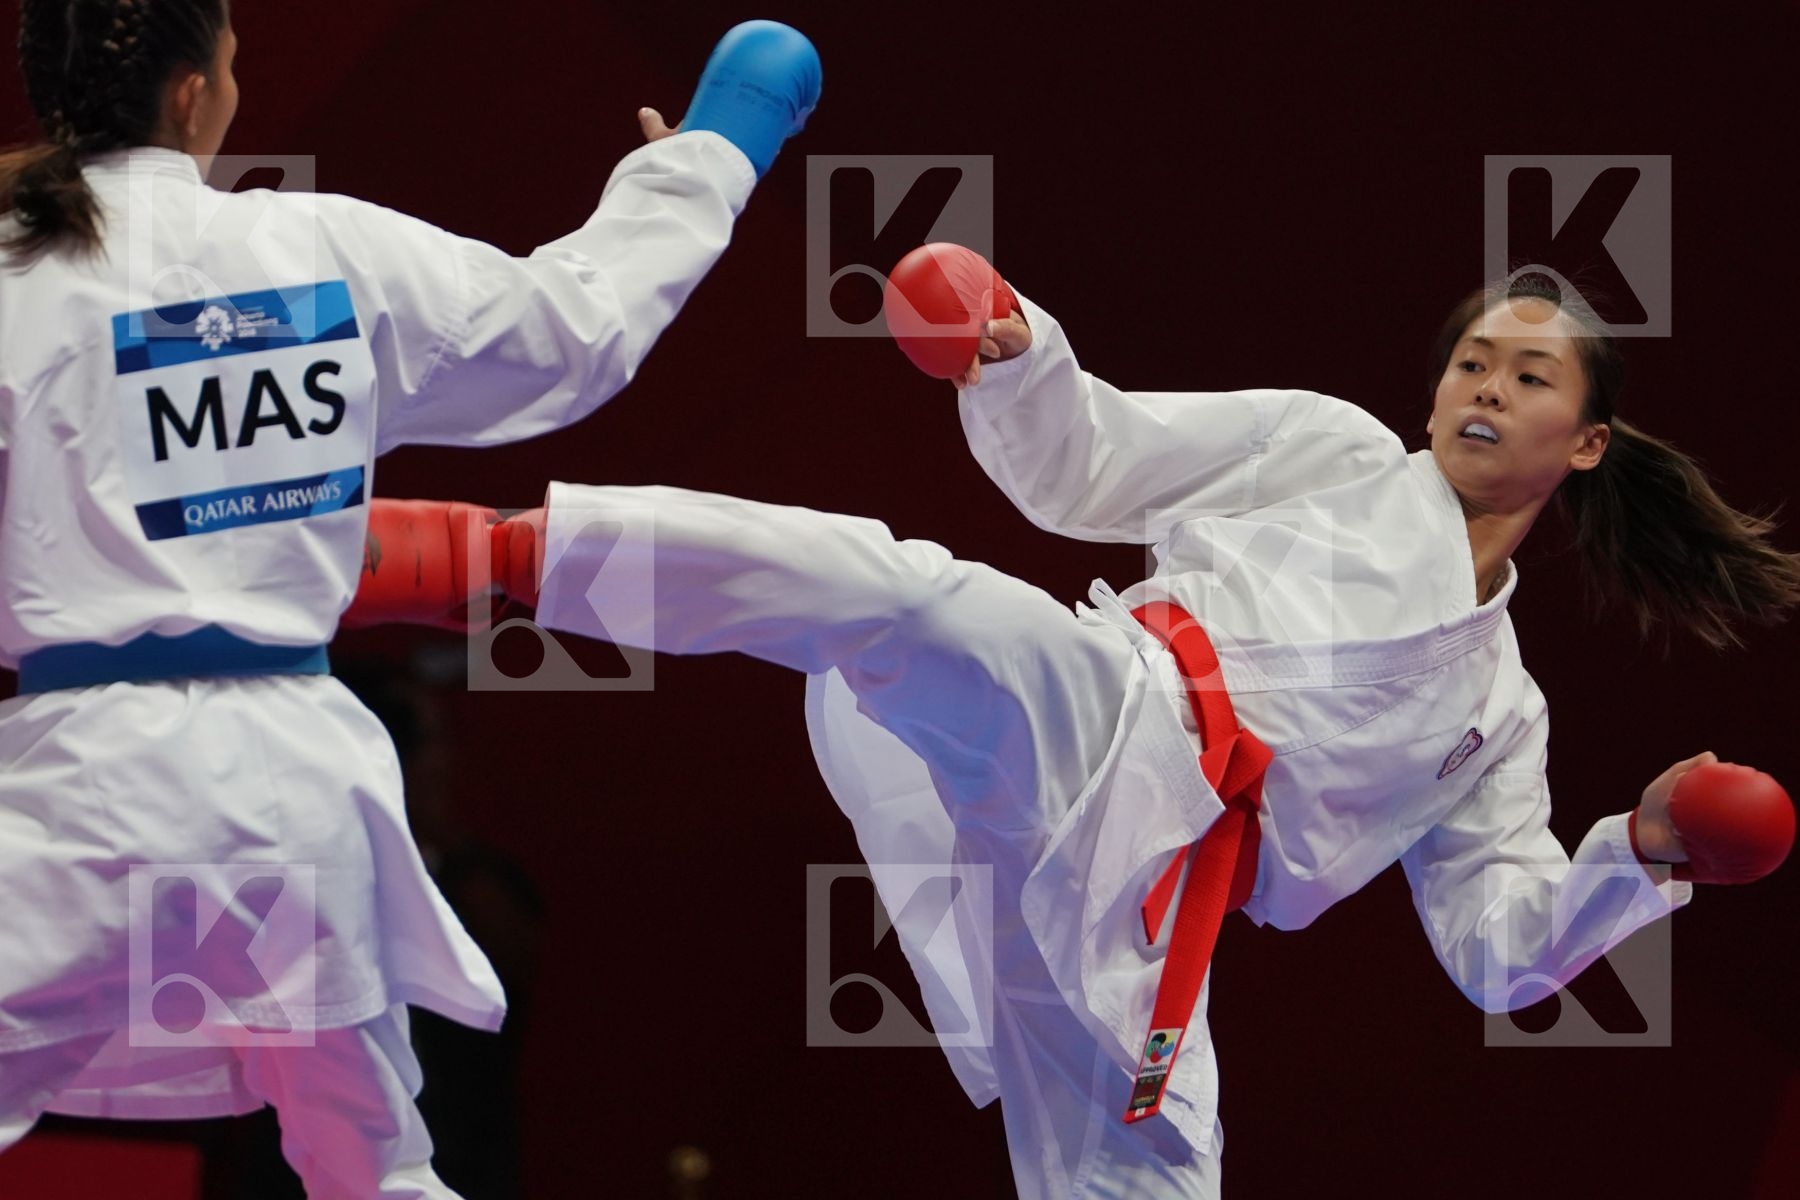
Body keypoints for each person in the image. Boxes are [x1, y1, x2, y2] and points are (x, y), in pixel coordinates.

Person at [350, 268, 1800, 1199]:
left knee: (1150, 1185)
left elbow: (1497, 948)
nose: (1484, 386)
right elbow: (1095, 458)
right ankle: (483, 553)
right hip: (1115, 708)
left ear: (1586, 444)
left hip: (1152, 914)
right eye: (1472, 360)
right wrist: (1012, 353)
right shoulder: (1335, 451)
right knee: (903, 593)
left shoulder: (1499, 713)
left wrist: (1643, 851)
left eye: (1528, 377)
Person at [0, 3, 819, 1196]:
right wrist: (710, 153)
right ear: (191, 95)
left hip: (82, 790)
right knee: (375, 1170)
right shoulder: (316, 251)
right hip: (297, 797)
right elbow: (572, 328)